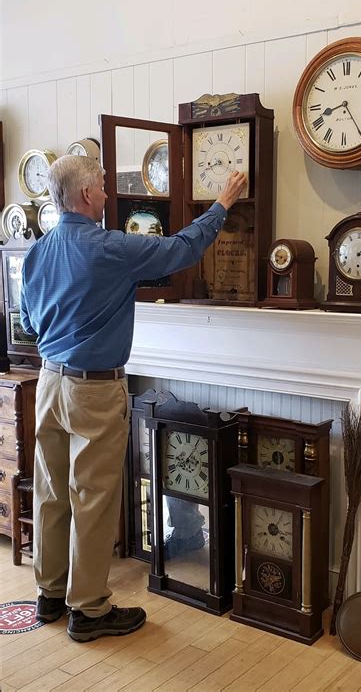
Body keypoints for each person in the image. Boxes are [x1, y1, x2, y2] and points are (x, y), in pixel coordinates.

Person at [20, 155, 247, 643]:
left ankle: (51, 596)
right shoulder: (110, 248)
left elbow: (29, 320)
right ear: (85, 196)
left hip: (49, 383)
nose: (106, 194)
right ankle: (89, 610)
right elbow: (181, 249)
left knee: (52, 493)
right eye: (101, 187)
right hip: (93, 390)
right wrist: (223, 203)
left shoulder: (38, 252)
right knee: (94, 498)